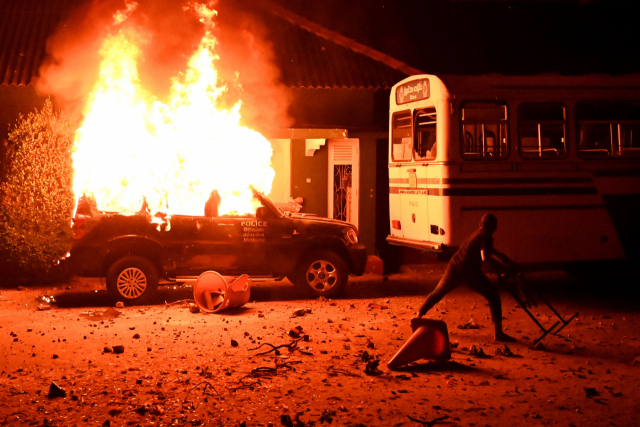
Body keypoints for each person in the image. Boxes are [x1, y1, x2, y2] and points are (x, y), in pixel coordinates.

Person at [417, 213, 518, 342]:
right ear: (494, 228)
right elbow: (486, 257)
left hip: (453, 268)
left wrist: (508, 263)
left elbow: (495, 253)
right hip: (469, 272)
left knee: (437, 293)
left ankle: (418, 316)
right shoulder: (486, 237)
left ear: (480, 225)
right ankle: (498, 334)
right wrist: (503, 268)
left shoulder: (477, 234)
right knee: (494, 297)